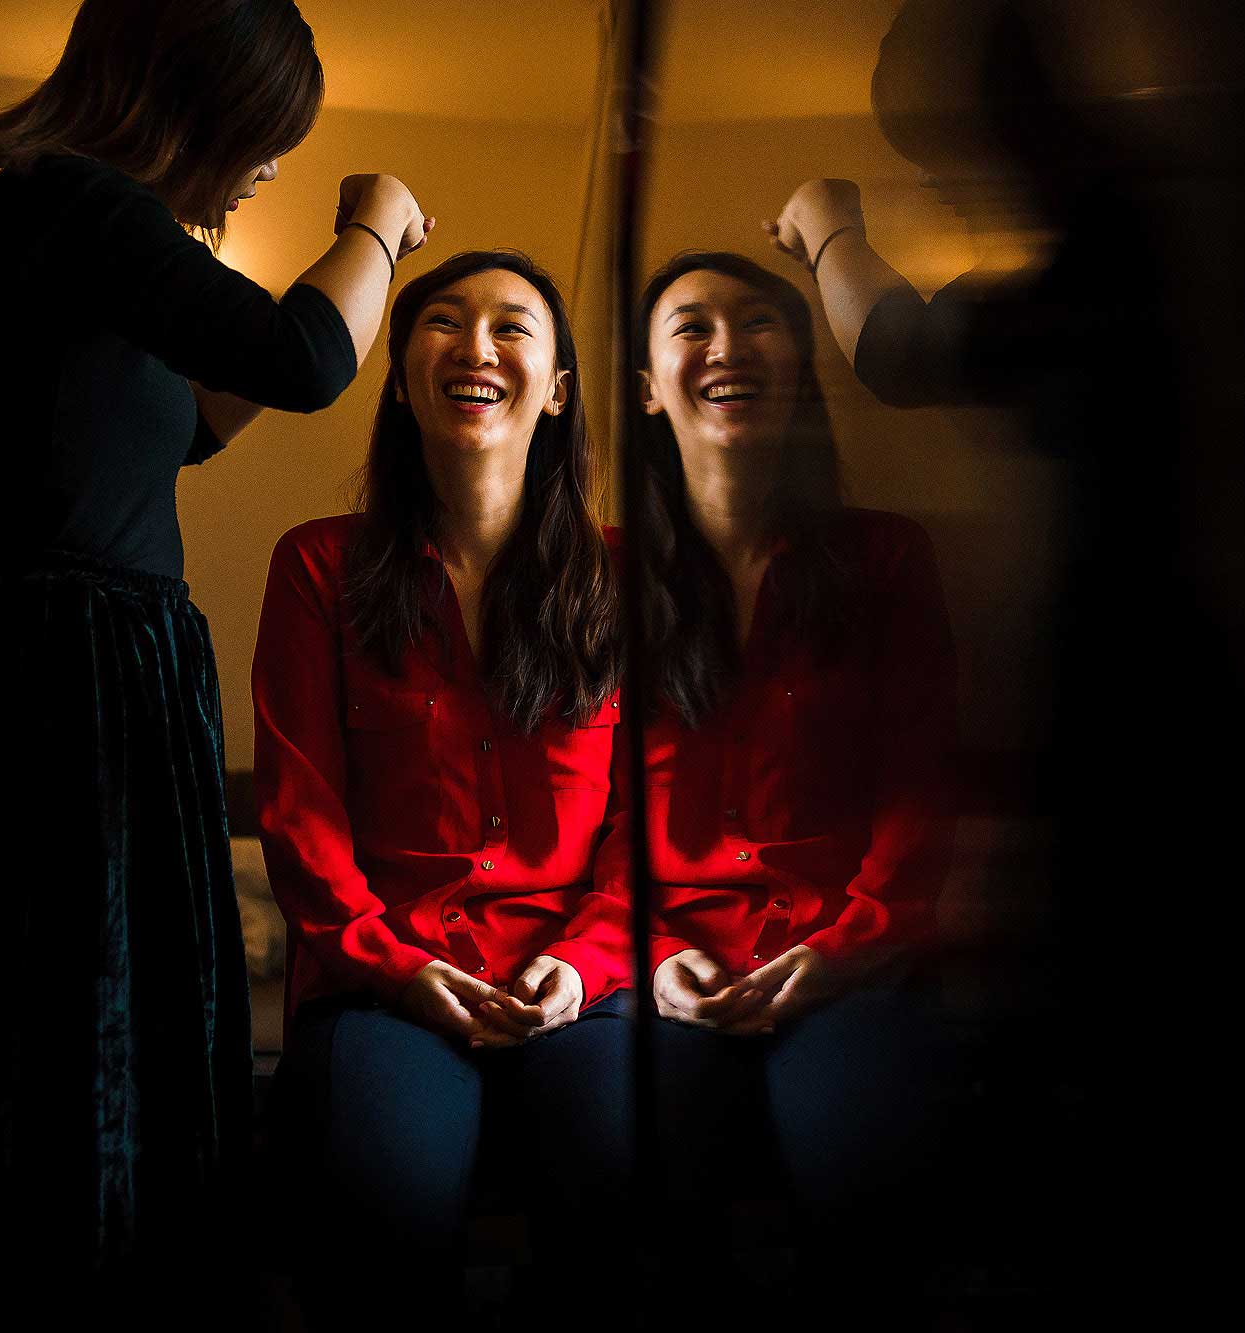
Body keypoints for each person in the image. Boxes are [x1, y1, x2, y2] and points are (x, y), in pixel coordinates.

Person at [0, 0, 429, 1302]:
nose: (267, 165)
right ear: (195, 102)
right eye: (265, 135)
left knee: (98, 1031)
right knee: (75, 1038)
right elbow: (303, 357)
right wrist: (372, 227)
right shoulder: (71, 205)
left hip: (89, 660)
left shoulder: (61, 234)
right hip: (64, 677)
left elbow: (202, 415)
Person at [578, 251, 959, 1318]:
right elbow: (589, 816)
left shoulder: (885, 559)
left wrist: (846, 947)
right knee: (631, 1195)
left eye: (757, 323)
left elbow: (917, 791)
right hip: (656, 972)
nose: (727, 348)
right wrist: (647, 954)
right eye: (690, 325)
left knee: (866, 1193)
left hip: (847, 961)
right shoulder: (594, 577)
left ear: (797, 362)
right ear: (647, 383)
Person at [252, 249, 626, 1325]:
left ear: (556, 387)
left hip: (579, 985)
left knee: (615, 1180)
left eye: (513, 325)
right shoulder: (316, 566)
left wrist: (581, 961)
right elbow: (300, 811)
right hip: (388, 986)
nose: (476, 346)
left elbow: (648, 821)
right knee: (388, 1206)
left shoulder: (627, 583)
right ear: (399, 377)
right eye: (443, 322)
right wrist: (397, 967)